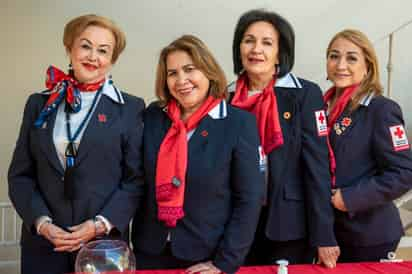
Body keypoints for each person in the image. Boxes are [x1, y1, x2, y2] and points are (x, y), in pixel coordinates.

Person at [8, 14, 145, 274]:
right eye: (85, 46)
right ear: (69, 47)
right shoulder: (39, 104)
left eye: (103, 51)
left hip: (103, 247)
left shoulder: (131, 108)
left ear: (112, 60)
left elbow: (135, 180)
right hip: (44, 244)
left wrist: (98, 225)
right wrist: (43, 224)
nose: (93, 56)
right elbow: (20, 175)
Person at [131, 34, 264, 274]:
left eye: (189, 69)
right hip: (150, 252)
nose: (181, 80)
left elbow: (250, 200)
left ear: (208, 71)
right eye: (172, 73)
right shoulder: (153, 117)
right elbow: (136, 180)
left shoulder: (238, 123)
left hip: (207, 256)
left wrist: (224, 263)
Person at [228, 9, 339, 267]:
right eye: (248, 40)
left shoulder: (305, 94)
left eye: (267, 43)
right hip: (237, 223)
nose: (256, 49)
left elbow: (317, 167)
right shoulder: (227, 97)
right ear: (239, 48)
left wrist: (324, 234)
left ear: (281, 51)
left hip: (289, 224)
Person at [324, 29, 412, 262]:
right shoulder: (321, 107)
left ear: (368, 66)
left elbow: (404, 173)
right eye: (334, 56)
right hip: (329, 232)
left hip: (368, 234)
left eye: (352, 58)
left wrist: (350, 198)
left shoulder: (381, 109)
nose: (341, 64)